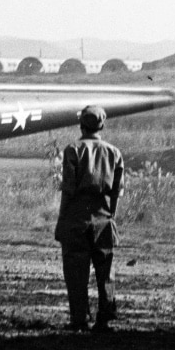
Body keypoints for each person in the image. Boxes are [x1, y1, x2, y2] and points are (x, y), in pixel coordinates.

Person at [54, 104, 124, 333]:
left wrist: (62, 218)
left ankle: (79, 319)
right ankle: (104, 319)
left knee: (76, 272)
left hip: (76, 218)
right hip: (104, 218)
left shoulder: (72, 150)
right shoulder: (114, 152)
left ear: (81, 124)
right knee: (106, 272)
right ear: (102, 125)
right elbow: (116, 192)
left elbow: (68, 189)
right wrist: (110, 216)